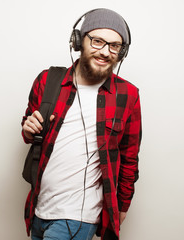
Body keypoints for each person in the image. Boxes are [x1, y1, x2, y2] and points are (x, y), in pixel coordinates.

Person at [21, 8, 142, 240]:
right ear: (79, 41)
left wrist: (122, 207)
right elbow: (29, 130)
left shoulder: (128, 94)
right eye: (97, 41)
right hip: (39, 208)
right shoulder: (48, 80)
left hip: (78, 217)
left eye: (114, 46)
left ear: (122, 52)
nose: (105, 52)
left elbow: (129, 157)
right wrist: (28, 128)